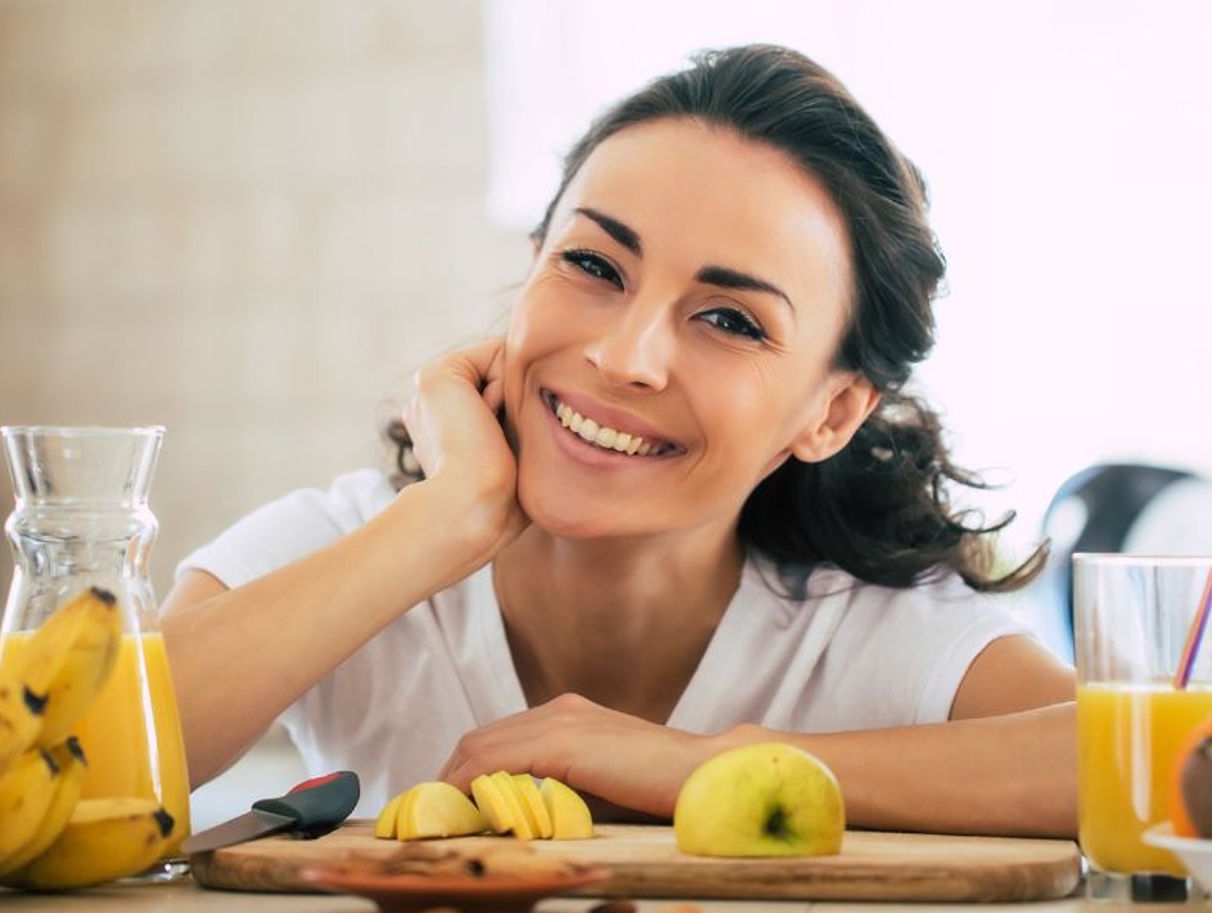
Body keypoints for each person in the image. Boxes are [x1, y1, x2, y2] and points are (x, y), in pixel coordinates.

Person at [162, 45, 1076, 837]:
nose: (624, 355)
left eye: (730, 318)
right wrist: (446, 521)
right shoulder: (351, 549)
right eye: (595, 265)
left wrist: (710, 765)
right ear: (532, 266)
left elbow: (1177, 759)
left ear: (831, 414)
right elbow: (67, 764)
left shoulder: (862, 632)